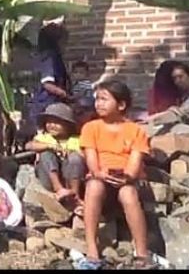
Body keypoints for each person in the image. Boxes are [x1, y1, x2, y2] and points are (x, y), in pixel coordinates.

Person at [77, 80, 154, 270]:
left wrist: (127, 177)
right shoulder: (91, 127)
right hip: (100, 178)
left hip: (126, 180)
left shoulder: (135, 131)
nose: (98, 104)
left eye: (104, 99)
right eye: (97, 99)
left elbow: (135, 163)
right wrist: (99, 173)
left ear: (121, 105)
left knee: (128, 193)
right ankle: (92, 250)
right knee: (94, 186)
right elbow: (91, 159)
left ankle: (142, 254)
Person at [25, 102, 85, 205]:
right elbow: (29, 146)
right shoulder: (44, 138)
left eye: (57, 123)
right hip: (48, 177)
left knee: (75, 158)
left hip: (68, 177)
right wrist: (49, 146)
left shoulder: (75, 140)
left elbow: (85, 156)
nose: (52, 125)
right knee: (46, 154)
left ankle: (75, 192)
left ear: (68, 125)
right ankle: (58, 188)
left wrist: (74, 152)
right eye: (49, 122)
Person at [22, 22, 74, 140]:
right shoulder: (49, 57)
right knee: (44, 138)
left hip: (40, 104)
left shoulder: (39, 56)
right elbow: (47, 84)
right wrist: (66, 95)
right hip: (45, 104)